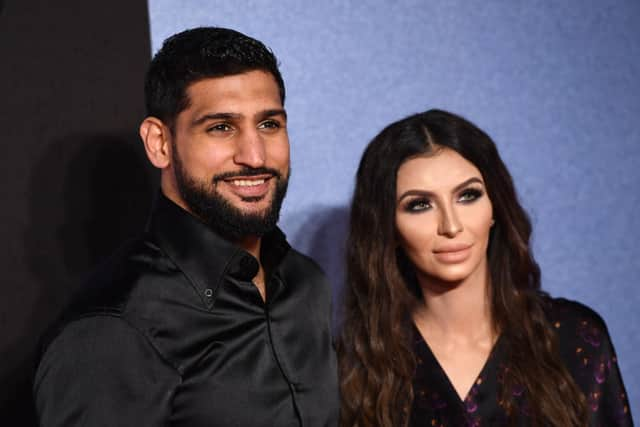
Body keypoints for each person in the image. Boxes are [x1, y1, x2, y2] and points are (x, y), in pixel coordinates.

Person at [33, 27, 338, 426]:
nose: (254, 155)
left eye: (269, 125)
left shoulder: (306, 284)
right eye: (221, 127)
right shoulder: (113, 330)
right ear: (160, 143)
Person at [337, 109, 632, 426]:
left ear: (495, 208)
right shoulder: (358, 368)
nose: (451, 226)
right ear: (388, 228)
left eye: (468, 196)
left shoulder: (574, 338)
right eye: (419, 204)